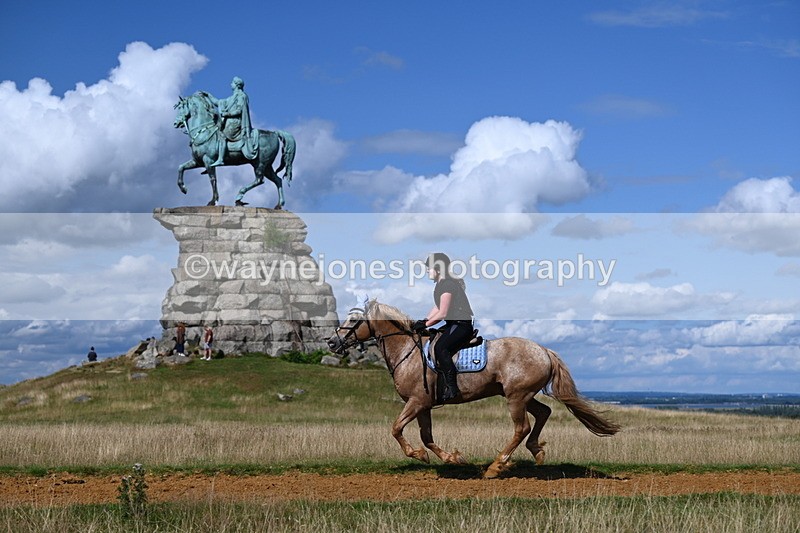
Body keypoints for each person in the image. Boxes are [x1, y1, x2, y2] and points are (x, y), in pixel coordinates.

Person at [412, 253, 474, 402]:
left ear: (438, 269)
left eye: (429, 268)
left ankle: (452, 388)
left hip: (461, 325)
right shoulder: (441, 285)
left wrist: (426, 324)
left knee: (440, 348)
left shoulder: (447, 285)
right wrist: (423, 321)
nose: (427, 271)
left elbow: (443, 312)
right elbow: (437, 307)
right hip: (452, 324)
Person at [204, 76, 258, 166]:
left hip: (235, 123)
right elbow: (218, 102)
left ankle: (220, 159)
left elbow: (239, 110)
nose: (230, 84)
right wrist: (208, 95)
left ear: (236, 85)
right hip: (229, 122)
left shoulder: (242, 96)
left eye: (232, 83)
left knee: (221, 135)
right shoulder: (232, 98)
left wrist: (227, 114)